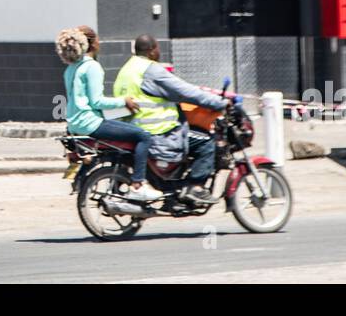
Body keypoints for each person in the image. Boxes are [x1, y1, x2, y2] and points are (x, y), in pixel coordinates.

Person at [113, 34, 236, 204]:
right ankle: (196, 187)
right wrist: (219, 103)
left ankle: (175, 189)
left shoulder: (127, 68)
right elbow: (185, 91)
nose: (159, 52)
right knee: (206, 141)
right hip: (158, 132)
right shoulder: (151, 70)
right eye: (157, 48)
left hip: (133, 130)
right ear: (151, 50)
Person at [57, 25, 160, 202]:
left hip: (75, 125)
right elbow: (97, 101)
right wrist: (124, 101)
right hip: (91, 123)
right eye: (97, 39)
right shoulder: (92, 67)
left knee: (122, 142)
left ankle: (118, 182)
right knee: (143, 136)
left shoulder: (71, 68)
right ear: (92, 43)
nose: (100, 42)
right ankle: (138, 185)